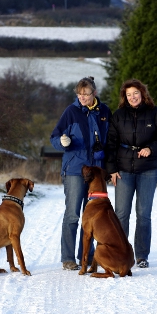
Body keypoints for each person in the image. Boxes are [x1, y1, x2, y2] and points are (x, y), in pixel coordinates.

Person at [105, 78, 157, 269]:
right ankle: (120, 252)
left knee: (143, 214)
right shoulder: (118, 116)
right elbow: (110, 143)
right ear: (124, 97)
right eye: (128, 95)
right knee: (121, 214)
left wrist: (152, 148)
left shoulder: (156, 114)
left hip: (148, 170)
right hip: (123, 170)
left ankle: (142, 255)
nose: (133, 97)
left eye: (135, 93)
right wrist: (111, 169)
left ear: (143, 93)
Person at [50, 76, 112, 271]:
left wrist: (108, 169)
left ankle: (87, 255)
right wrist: (62, 143)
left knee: (93, 217)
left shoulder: (104, 112)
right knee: (73, 215)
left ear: (94, 93)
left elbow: (110, 140)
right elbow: (54, 137)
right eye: (79, 93)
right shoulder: (71, 112)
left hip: (97, 172)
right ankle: (68, 258)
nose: (82, 97)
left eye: (86, 94)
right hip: (76, 170)